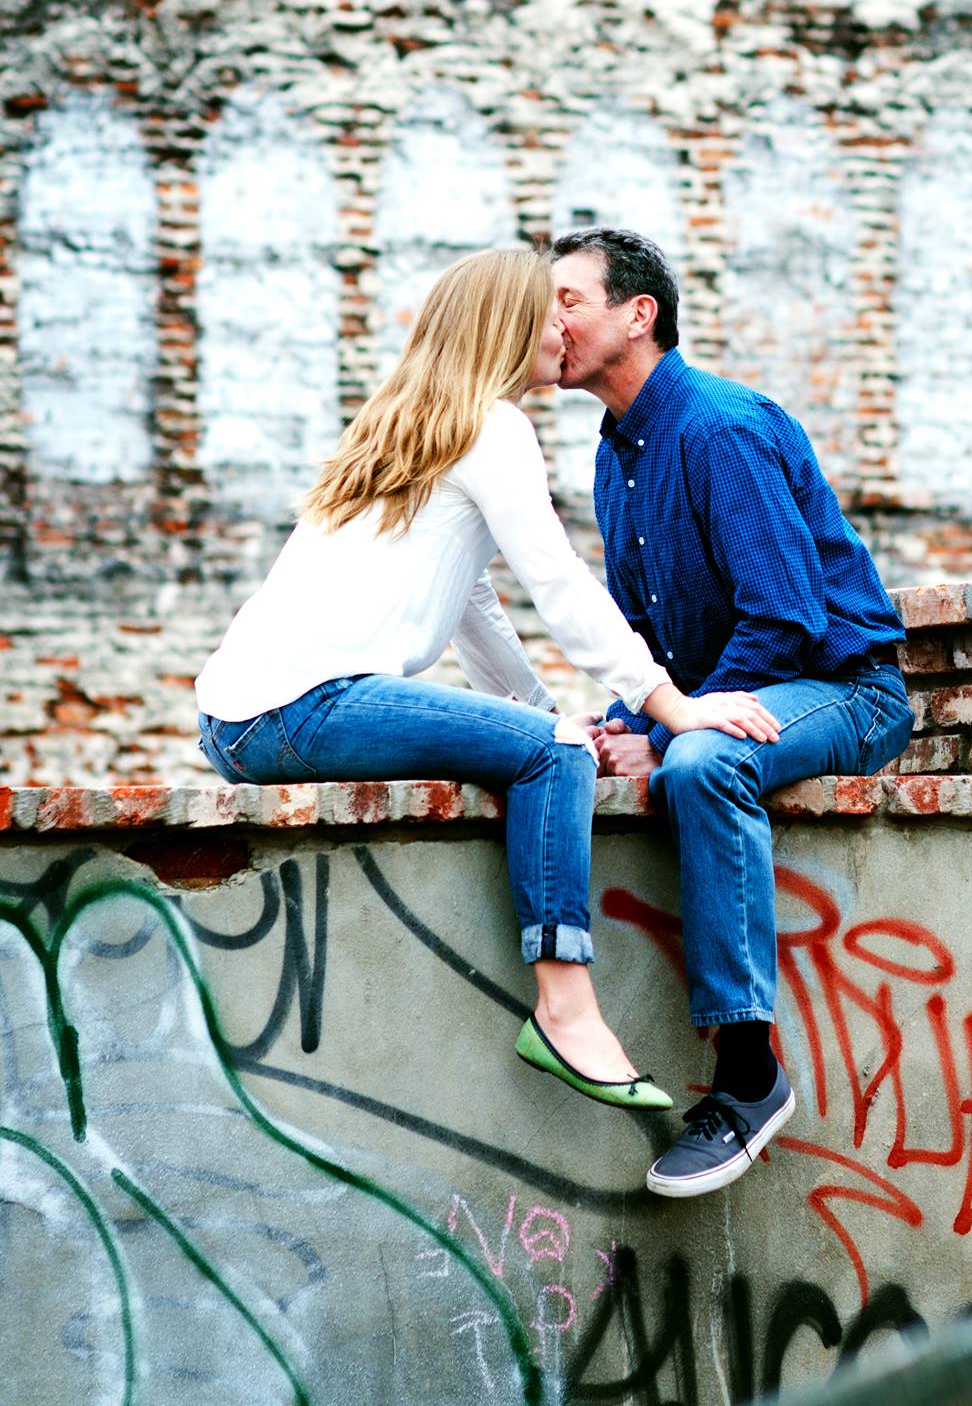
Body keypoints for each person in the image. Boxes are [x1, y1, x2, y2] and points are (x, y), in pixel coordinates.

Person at [195, 248, 778, 1112]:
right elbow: (561, 586)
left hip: (239, 718)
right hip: (306, 707)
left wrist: (543, 717)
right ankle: (565, 1010)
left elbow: (472, 603)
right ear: (506, 325)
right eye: (548, 311)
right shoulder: (493, 427)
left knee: (553, 745)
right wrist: (669, 704)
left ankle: (565, 1002)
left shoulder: (416, 421)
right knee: (555, 752)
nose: (562, 328)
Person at [549, 227, 914, 1197]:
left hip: (844, 689)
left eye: (567, 301)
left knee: (703, 763)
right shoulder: (615, 454)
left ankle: (749, 1075)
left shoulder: (719, 428)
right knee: (588, 753)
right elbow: (639, 632)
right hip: (734, 695)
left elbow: (786, 619)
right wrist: (629, 722)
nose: (549, 323)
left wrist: (672, 730)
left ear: (639, 314)